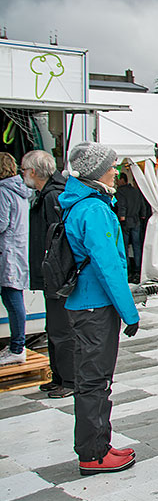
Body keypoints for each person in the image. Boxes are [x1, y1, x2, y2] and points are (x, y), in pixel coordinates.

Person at [59, 143, 139, 474]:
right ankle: (92, 453)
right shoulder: (94, 210)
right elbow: (109, 266)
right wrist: (130, 312)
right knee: (95, 380)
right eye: (110, 165)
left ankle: (99, 444)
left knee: (94, 378)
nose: (115, 170)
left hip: (85, 302)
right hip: (95, 305)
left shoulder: (81, 203)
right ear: (95, 172)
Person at [20, 150, 74, 396]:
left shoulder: (53, 195)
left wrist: (54, 270)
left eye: (23, 170)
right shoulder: (47, 194)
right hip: (50, 273)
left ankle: (69, 380)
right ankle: (60, 376)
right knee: (53, 328)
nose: (23, 175)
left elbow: (59, 240)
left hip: (57, 275)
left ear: (33, 172)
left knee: (61, 330)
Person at [0, 152, 31, 367]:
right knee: (14, 297)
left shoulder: (3, 191)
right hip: (17, 249)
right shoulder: (21, 191)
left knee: (12, 298)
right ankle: (17, 345)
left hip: (7, 252)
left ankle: (17, 347)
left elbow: (1, 223)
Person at [114, 173, 149, 281]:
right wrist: (142, 215)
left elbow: (122, 205)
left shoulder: (120, 192)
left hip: (126, 221)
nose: (116, 182)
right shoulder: (136, 190)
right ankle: (138, 270)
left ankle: (128, 271)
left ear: (123, 180)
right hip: (137, 220)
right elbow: (142, 206)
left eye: (118, 180)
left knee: (124, 246)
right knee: (137, 246)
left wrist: (122, 216)